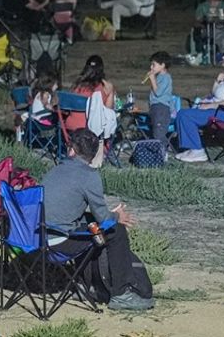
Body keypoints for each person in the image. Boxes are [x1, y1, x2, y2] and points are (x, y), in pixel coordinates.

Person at [42, 130, 150, 310]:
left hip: (37, 237)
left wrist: (108, 215)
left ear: (71, 150)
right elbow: (104, 218)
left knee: (92, 224)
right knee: (116, 231)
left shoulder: (55, 170)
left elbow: (68, 209)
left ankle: (85, 284)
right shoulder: (89, 176)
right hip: (57, 243)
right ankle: (121, 294)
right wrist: (116, 216)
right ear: (93, 155)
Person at [174, 45, 224, 163]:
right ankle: (192, 148)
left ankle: (197, 151)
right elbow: (215, 93)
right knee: (185, 113)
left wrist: (208, 106)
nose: (223, 57)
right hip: (219, 110)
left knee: (185, 115)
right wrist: (217, 81)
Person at [64, 55, 116, 135]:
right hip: (91, 129)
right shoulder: (105, 87)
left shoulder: (77, 86)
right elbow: (108, 113)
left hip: (71, 128)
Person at [145, 51, 175, 152]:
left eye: (153, 65)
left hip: (161, 108)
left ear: (162, 65)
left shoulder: (166, 77)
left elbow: (158, 92)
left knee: (159, 132)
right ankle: (159, 150)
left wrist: (152, 79)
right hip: (155, 108)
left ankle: (163, 150)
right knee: (155, 130)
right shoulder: (159, 77)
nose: (151, 67)